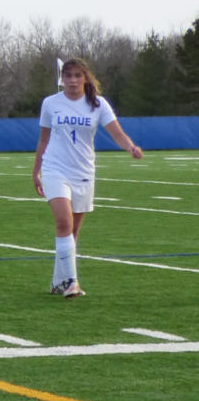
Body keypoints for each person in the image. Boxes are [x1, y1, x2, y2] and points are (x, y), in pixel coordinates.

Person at [32, 57, 143, 298]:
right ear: (61, 79)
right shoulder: (50, 103)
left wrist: (130, 147)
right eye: (68, 76)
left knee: (72, 232)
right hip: (55, 169)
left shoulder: (98, 104)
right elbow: (43, 139)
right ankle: (72, 283)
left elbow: (117, 133)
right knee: (63, 222)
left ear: (85, 78)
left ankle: (57, 282)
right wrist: (36, 171)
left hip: (82, 172)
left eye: (77, 75)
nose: (72, 81)